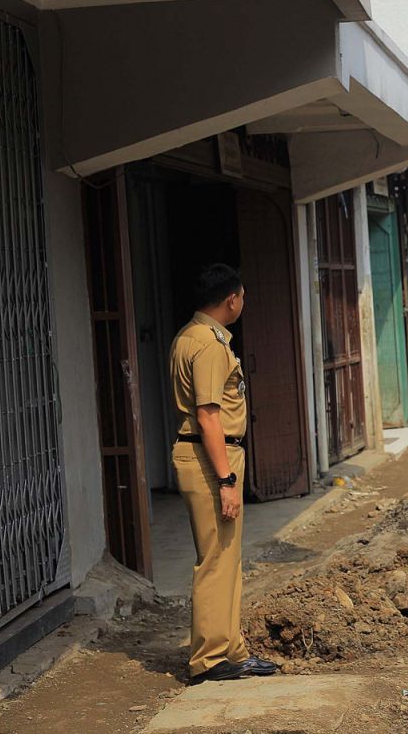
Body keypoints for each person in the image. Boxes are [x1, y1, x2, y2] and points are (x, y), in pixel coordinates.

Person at [168, 264, 279, 684]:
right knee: (216, 560)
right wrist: (227, 481)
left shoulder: (189, 336)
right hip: (211, 457)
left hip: (208, 454)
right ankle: (210, 658)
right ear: (231, 299)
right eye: (243, 296)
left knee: (227, 558)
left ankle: (229, 648)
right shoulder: (209, 345)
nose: (243, 303)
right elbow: (208, 415)